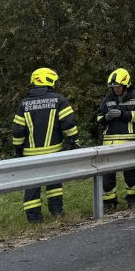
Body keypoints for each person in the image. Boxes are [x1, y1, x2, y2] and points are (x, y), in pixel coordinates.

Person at [11, 67, 79, 223]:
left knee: (32, 186)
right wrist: (74, 141)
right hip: (54, 153)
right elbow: (69, 123)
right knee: (54, 184)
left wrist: (18, 150)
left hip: (31, 155)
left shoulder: (24, 104)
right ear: (49, 80)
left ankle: (34, 219)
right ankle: (57, 213)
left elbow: (18, 130)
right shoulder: (58, 100)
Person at [96, 67, 135, 208]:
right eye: (113, 87)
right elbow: (99, 118)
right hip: (109, 143)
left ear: (126, 85)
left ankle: (133, 199)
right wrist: (106, 117)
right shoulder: (108, 99)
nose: (116, 89)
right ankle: (109, 202)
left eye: (118, 86)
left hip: (128, 142)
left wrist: (122, 114)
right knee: (108, 176)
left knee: (130, 174)